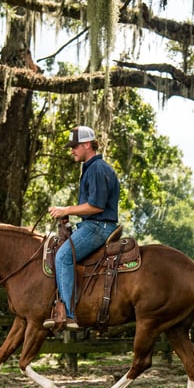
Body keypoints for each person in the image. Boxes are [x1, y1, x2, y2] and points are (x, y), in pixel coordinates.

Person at [44, 126, 120, 330]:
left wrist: (65, 210)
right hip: (93, 224)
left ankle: (67, 314)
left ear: (87, 144)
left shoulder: (96, 169)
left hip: (98, 226)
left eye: (75, 146)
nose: (72, 150)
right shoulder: (92, 168)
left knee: (62, 256)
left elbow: (96, 206)